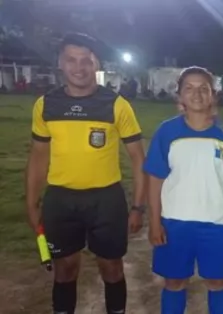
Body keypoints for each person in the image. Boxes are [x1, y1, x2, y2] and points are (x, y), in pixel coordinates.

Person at [25, 33, 146, 314]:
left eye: (86, 61)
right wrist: (32, 203)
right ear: (60, 63)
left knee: (112, 268)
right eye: (71, 60)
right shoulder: (45, 105)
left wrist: (139, 206)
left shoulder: (116, 105)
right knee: (64, 269)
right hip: (60, 200)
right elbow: (38, 157)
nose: (79, 68)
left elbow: (138, 159)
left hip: (106, 200)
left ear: (96, 64)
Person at [144, 66, 223, 314]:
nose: (197, 94)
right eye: (189, 88)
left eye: (204, 88)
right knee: (175, 282)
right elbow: (154, 182)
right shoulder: (166, 132)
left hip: (218, 224)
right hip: (174, 224)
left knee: (218, 282)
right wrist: (155, 223)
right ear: (179, 96)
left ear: (213, 94)